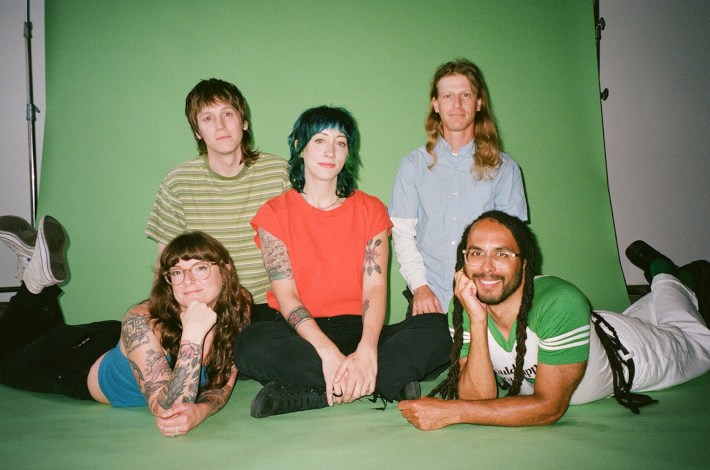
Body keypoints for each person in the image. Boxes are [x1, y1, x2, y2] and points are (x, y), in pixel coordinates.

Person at [397, 210, 710, 429]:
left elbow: (549, 407)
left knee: (688, 328)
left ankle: (665, 272)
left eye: (502, 253)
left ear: (525, 263)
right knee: (649, 306)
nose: (487, 267)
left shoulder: (560, 302)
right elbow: (477, 398)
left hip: (633, 352)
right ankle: (667, 280)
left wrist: (452, 412)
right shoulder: (464, 306)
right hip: (586, 330)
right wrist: (477, 321)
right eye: (476, 253)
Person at [234, 106, 452, 418]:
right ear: (299, 146)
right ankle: (381, 381)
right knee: (249, 342)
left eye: (340, 143)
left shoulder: (371, 209)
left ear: (348, 151)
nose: (330, 151)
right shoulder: (274, 214)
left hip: (359, 329)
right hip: (302, 335)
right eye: (320, 140)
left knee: (440, 328)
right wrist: (327, 353)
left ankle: (317, 389)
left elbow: (374, 289)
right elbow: (287, 296)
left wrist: (367, 349)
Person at [0, 215, 251, 436]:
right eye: (177, 272)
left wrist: (202, 411)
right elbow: (169, 409)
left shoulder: (239, 302)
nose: (188, 280)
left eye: (200, 268)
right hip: (72, 362)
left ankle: (37, 276)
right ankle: (34, 282)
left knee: (36, 332)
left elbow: (222, 381)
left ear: (225, 269)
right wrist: (192, 336)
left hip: (117, 340)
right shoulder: (140, 321)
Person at [389, 59, 528, 317]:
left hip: (486, 302)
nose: (457, 104)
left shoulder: (505, 168)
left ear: (479, 103)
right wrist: (420, 287)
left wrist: (491, 295)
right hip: (427, 300)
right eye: (448, 96)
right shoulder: (413, 165)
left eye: (465, 95)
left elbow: (512, 244)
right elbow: (402, 234)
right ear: (435, 104)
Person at [145, 78, 290, 322]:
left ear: (244, 122)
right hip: (207, 306)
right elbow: (165, 262)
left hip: (271, 306)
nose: (220, 125)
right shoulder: (178, 182)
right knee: (135, 324)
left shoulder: (280, 174)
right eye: (208, 118)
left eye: (228, 114)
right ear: (197, 132)